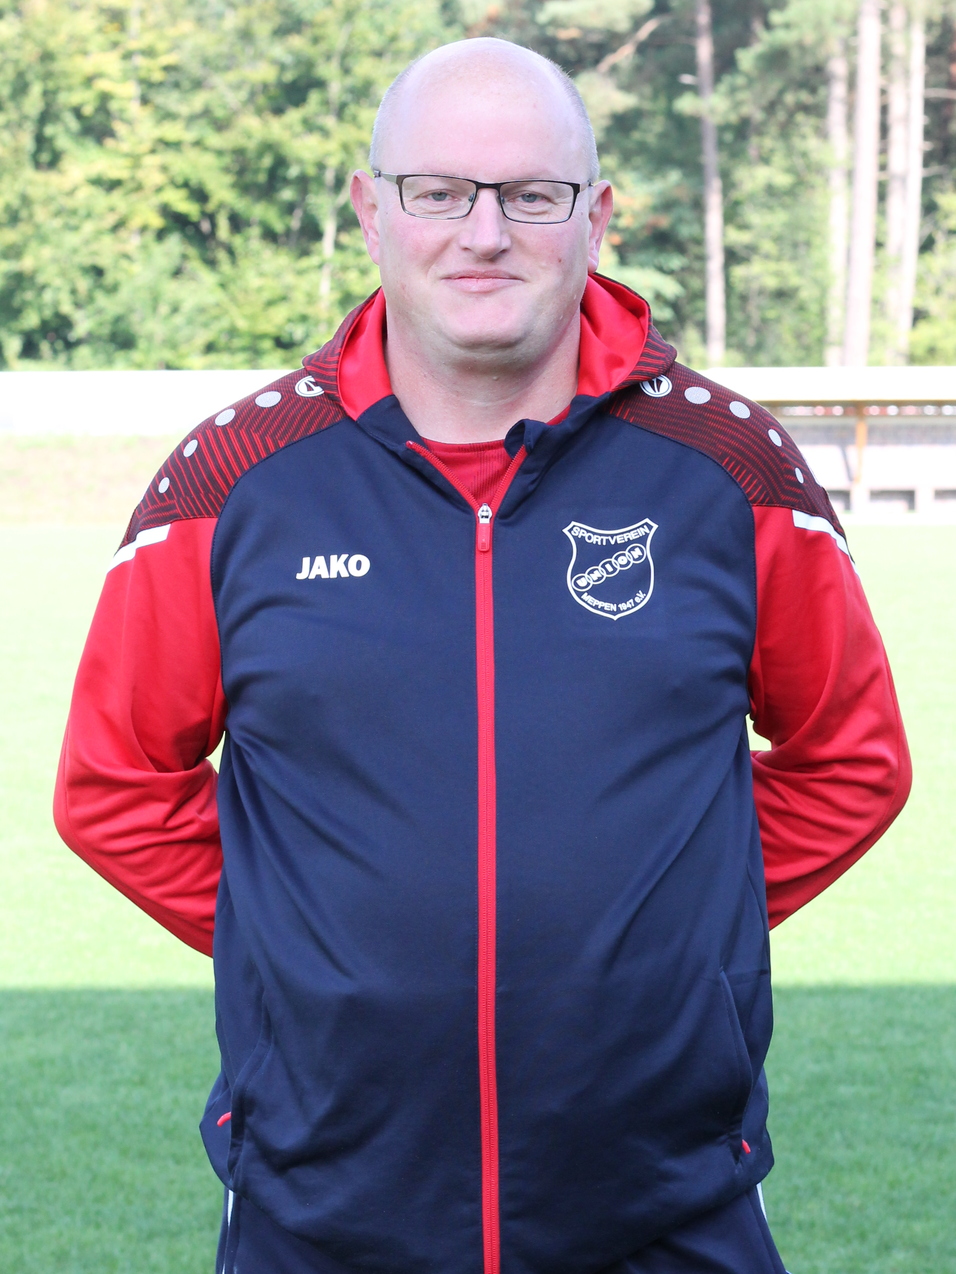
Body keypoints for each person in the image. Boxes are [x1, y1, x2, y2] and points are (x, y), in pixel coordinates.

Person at [55, 37, 910, 1274]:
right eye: (440, 191)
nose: (484, 232)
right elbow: (115, 788)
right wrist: (311, 947)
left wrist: (665, 936)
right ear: (370, 209)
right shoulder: (230, 486)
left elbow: (849, 759)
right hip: (323, 1207)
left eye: (531, 195)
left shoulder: (733, 473)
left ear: (595, 217)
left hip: (663, 1208)